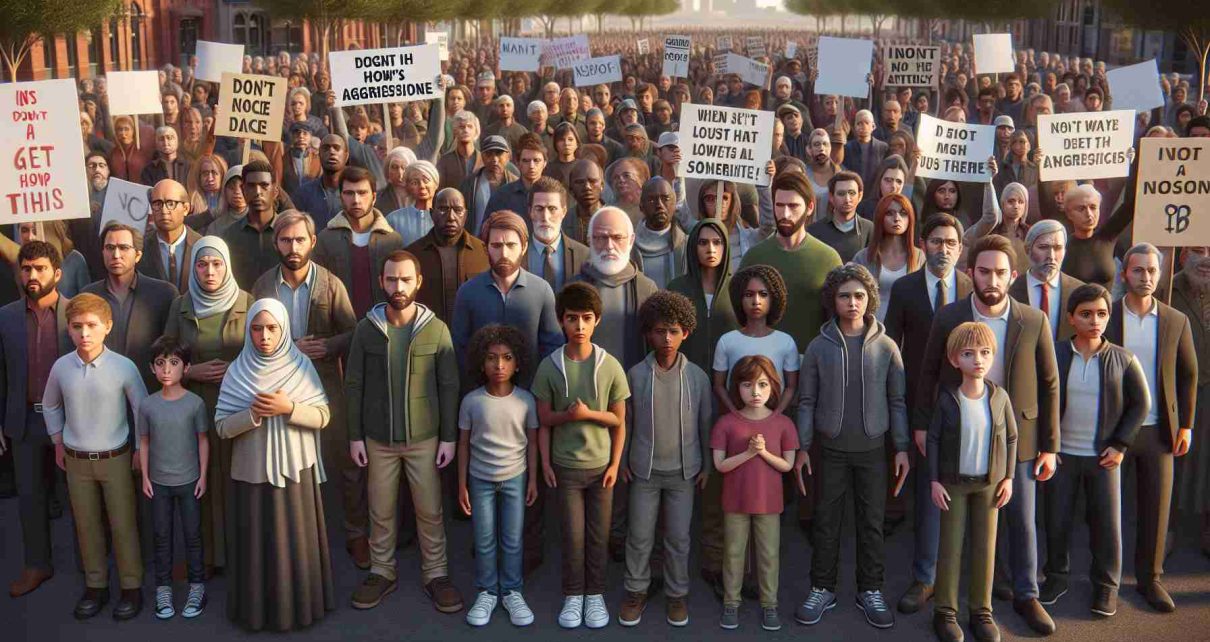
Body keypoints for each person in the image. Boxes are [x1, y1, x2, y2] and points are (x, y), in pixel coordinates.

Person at [915, 234, 1059, 636]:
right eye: (983, 271)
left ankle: (1026, 594)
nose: (991, 280)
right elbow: (928, 372)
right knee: (945, 520)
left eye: (999, 272)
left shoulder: (1034, 320)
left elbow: (1049, 384)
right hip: (959, 438)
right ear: (969, 272)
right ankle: (934, 591)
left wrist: (1050, 444)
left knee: (1022, 522)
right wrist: (922, 425)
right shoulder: (949, 317)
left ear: (1013, 275)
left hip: (1020, 438)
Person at [345, 250, 464, 614]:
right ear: (382, 282)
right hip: (378, 439)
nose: (399, 287)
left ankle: (436, 574)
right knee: (380, 510)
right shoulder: (367, 329)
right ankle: (383, 571)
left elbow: (449, 385)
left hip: (425, 438)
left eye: (406, 279)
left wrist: (448, 436)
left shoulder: (436, 329)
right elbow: (353, 385)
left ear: (418, 282)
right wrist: (354, 436)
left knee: (429, 510)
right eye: (392, 279)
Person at [794, 264, 909, 630]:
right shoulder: (817, 346)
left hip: (874, 450)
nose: (853, 302)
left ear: (870, 299)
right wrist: (802, 446)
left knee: (871, 522)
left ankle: (870, 590)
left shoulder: (887, 347)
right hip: (831, 450)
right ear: (833, 300)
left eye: (860, 295)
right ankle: (822, 588)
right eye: (845, 296)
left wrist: (902, 447)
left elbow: (897, 401)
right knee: (826, 521)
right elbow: (807, 400)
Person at [249, 211, 363, 569]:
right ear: (276, 243)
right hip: (278, 387)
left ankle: (357, 533)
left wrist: (330, 347)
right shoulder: (263, 286)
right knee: (285, 462)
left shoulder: (331, 284)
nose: (293, 247)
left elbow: (354, 331)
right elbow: (252, 334)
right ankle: (293, 538)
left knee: (343, 461)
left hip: (325, 383)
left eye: (300, 240)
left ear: (313, 242)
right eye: (286, 240)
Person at [215, 298, 335, 631]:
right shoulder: (237, 371)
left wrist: (289, 408)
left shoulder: (301, 367)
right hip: (251, 474)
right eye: (257, 329)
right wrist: (251, 415)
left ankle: (301, 608)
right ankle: (256, 612)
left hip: (296, 470)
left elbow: (323, 416)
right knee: (256, 543)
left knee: (295, 540)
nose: (264, 336)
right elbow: (222, 426)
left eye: (272, 329)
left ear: (283, 330)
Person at [883, 213, 973, 614]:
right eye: (936, 241)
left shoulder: (974, 288)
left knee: (967, 488)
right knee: (927, 493)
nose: (943, 249)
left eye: (951, 242)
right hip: (922, 404)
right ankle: (925, 578)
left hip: (969, 406)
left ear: (960, 247)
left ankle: (965, 575)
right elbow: (891, 347)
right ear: (923, 244)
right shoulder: (904, 289)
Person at [1043, 283, 1151, 619]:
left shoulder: (1123, 358)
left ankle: (1106, 587)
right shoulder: (1055, 353)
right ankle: (1056, 578)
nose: (1095, 320)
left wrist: (1120, 445)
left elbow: (1141, 404)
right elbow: (1041, 400)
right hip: (1062, 457)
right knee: (1056, 521)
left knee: (1106, 526)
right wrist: (1048, 446)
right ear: (1072, 318)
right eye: (1086, 314)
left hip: (1104, 460)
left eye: (1102, 314)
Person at [1104, 243, 1197, 614]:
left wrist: (1186, 425)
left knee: (1155, 508)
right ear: (1125, 274)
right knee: (1107, 510)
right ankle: (1105, 579)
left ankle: (1150, 579)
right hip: (1113, 430)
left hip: (1160, 430)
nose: (1146, 277)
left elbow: (1188, 374)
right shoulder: (1106, 316)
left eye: (1152, 271)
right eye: (1138, 270)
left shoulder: (1176, 320)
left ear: (1160, 275)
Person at [44, 293, 149, 620]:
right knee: (86, 526)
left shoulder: (123, 367)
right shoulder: (62, 367)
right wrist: (58, 439)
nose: (84, 333)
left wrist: (138, 450)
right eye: (77, 327)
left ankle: (131, 587)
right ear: (69, 330)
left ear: (107, 326)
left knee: (123, 523)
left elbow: (141, 409)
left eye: (92, 325)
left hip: (116, 458)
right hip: (76, 460)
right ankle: (96, 586)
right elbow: (50, 404)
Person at [533, 282, 630, 629]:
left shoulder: (610, 366)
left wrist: (616, 463)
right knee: (572, 535)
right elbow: (544, 420)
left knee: (598, 534)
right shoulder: (549, 366)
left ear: (597, 320)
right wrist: (545, 462)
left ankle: (596, 594)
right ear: (561, 321)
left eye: (586, 318)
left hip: (601, 467)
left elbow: (619, 420)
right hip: (565, 469)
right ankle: (573, 594)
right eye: (572, 319)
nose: (579, 326)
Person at [617, 291, 714, 628]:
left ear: (686, 332)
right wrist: (623, 461)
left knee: (678, 538)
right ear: (648, 333)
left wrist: (707, 466)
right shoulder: (636, 375)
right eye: (659, 331)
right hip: (644, 472)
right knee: (640, 536)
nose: (667, 338)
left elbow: (705, 425)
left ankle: (676, 594)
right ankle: (635, 590)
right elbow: (626, 423)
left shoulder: (698, 378)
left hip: (684, 474)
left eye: (673, 331)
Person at [163, 236, 254, 574]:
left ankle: (239, 555)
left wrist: (236, 368)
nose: (210, 271)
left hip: (237, 406)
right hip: (193, 407)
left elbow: (266, 352)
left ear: (227, 265)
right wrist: (190, 371)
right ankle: (203, 557)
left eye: (217, 264)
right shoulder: (180, 305)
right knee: (198, 482)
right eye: (202, 264)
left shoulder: (248, 302)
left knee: (235, 479)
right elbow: (166, 357)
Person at [927, 322, 1018, 642]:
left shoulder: (1000, 397)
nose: (977, 359)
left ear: (993, 357)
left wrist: (1008, 477)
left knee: (985, 548)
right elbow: (934, 440)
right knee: (950, 548)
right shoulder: (947, 398)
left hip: (989, 485)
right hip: (953, 485)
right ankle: (945, 611)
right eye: (968, 354)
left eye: (984, 353)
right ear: (955, 360)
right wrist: (935, 481)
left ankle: (982, 610)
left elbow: (1011, 438)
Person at [1, 241, 73, 598]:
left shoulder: (78, 312)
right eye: (26, 268)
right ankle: (36, 565)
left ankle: (89, 567)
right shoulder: (5, 317)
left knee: (77, 495)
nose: (32, 275)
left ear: (56, 273)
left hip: (72, 421)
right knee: (29, 497)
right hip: (25, 421)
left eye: (40, 268)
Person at [457, 325, 539, 628]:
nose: (499, 365)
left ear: (518, 364)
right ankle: (488, 591)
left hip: (516, 479)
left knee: (513, 539)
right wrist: (461, 485)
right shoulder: (471, 401)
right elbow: (464, 444)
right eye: (492, 358)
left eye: (507, 358)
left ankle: (512, 591)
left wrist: (532, 479)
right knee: (484, 539)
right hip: (479, 480)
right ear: (482, 362)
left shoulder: (526, 401)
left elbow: (531, 443)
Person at [711, 355, 798, 631]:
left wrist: (762, 453)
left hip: (769, 503)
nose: (755, 392)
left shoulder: (782, 423)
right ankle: (731, 603)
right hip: (734, 501)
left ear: (773, 386)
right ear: (736, 387)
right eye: (747, 385)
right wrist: (750, 453)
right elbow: (720, 465)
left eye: (762, 384)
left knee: (769, 555)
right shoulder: (726, 422)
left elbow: (788, 465)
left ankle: (769, 605)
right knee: (733, 553)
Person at [138, 336, 210, 620]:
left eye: (174, 362)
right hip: (158, 482)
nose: (167, 369)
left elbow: (203, 440)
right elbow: (143, 441)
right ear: (152, 368)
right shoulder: (147, 405)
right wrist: (145, 476)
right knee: (161, 535)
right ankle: (163, 589)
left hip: (190, 480)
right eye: (160, 363)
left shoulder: (195, 403)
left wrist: (203, 475)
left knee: (193, 535)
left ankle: (196, 587)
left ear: (187, 367)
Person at [82, 222, 180, 388]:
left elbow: (174, 347)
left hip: (151, 390)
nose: (116, 254)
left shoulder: (164, 294)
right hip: (101, 390)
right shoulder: (88, 297)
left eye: (124, 247)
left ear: (138, 255)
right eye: (110, 248)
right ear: (103, 252)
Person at [313, 166, 405, 318]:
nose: (356, 200)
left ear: (374, 197)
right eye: (349, 193)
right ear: (341, 197)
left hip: (382, 326)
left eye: (362, 193)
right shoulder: (325, 239)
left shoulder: (392, 240)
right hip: (339, 328)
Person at [573, 206, 657, 371]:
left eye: (617, 237)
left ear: (631, 240)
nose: (609, 246)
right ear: (589, 240)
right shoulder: (574, 288)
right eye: (601, 238)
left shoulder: (646, 288)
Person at [712, 264, 799, 416]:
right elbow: (719, 386)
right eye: (749, 294)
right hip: (737, 421)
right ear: (740, 298)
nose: (756, 301)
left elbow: (791, 387)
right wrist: (736, 413)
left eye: (763, 294)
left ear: (773, 298)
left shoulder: (786, 342)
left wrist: (775, 415)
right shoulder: (727, 341)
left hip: (773, 420)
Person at [405, 188, 489, 322]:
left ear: (466, 215)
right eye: (443, 209)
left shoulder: (484, 252)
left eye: (458, 210)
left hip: (474, 336)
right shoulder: (412, 255)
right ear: (432, 213)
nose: (451, 217)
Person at [1007, 220, 1083, 342]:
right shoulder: (1009, 290)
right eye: (1043, 247)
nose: (1051, 256)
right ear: (1027, 250)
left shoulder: (1080, 291)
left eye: (1058, 248)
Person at [854, 194, 924, 322]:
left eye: (903, 213)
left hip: (908, 329)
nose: (897, 218)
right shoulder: (863, 257)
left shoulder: (920, 257)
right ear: (880, 217)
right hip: (871, 329)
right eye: (889, 213)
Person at [219, 162, 285, 290]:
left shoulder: (288, 233)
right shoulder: (229, 236)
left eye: (264, 185)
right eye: (251, 186)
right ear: (243, 190)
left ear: (275, 191)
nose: (257, 192)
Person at [1060, 183, 1133, 291]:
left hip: (1106, 307)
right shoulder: (1061, 247)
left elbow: (1130, 204)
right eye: (1081, 209)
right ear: (1069, 214)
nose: (1089, 214)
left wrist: (1134, 165)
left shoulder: (1107, 237)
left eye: (1093, 207)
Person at [525, 176, 590, 293]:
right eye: (539, 209)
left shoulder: (584, 255)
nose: (545, 217)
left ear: (564, 211)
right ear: (530, 212)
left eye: (552, 209)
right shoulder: (518, 253)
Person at [138, 179, 202, 293]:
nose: (164, 210)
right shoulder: (140, 247)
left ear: (186, 209)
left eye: (171, 203)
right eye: (157, 204)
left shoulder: (201, 246)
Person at [633, 177, 686, 288]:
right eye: (652, 199)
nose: (659, 205)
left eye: (665, 198)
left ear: (674, 203)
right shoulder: (629, 246)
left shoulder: (687, 245)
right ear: (641, 206)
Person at [460, 136, 518, 235]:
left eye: (499, 153)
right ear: (482, 156)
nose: (494, 159)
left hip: (506, 242)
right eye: (489, 154)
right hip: (475, 242)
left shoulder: (516, 184)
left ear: (508, 156)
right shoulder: (469, 183)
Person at [292, 134, 349, 231]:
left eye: (336, 148)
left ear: (346, 156)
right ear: (319, 155)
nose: (331, 151)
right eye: (326, 148)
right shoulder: (303, 193)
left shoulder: (356, 193)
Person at [488, 133, 549, 222]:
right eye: (525, 161)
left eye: (536, 160)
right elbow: (487, 229)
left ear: (545, 163)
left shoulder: (553, 195)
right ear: (517, 163)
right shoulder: (502, 195)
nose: (531, 166)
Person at [386, 160, 441, 247]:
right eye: (414, 183)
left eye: (426, 180)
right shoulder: (394, 220)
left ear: (436, 183)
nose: (422, 186)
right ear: (407, 187)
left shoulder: (444, 218)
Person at [843, 110, 888, 190]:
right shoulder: (847, 148)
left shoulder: (882, 147)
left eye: (866, 123)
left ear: (873, 126)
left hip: (874, 192)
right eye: (859, 123)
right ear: (854, 126)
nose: (863, 126)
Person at [565, 159, 606, 245]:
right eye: (580, 182)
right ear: (571, 189)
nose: (587, 187)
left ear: (602, 185)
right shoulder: (563, 221)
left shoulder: (615, 218)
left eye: (593, 181)